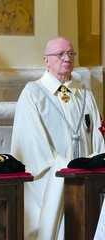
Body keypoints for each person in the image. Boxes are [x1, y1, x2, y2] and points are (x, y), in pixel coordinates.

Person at [10, 36, 105, 240]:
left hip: (86, 180)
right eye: (60, 54)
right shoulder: (33, 94)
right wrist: (64, 165)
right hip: (51, 180)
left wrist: (95, 161)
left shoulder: (84, 94)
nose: (66, 59)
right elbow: (32, 144)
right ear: (46, 60)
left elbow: (98, 134)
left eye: (71, 54)